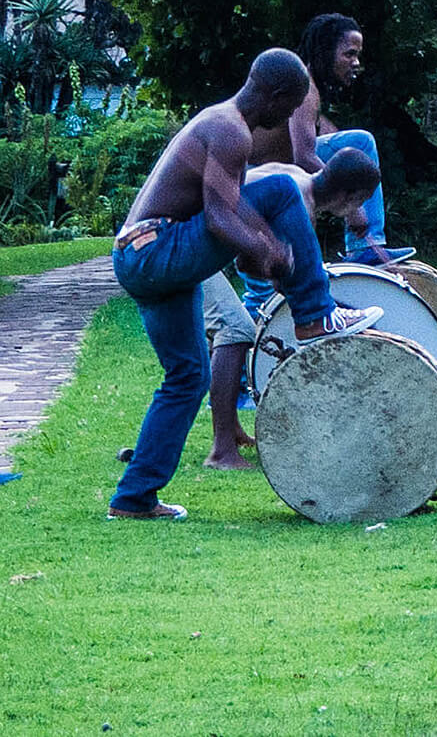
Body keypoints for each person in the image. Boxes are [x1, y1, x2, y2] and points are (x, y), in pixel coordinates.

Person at [107, 49, 383, 520]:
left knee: (188, 377)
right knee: (280, 187)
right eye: (291, 106)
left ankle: (134, 498)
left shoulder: (222, 123)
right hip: (156, 248)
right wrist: (266, 249)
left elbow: (228, 206)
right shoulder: (231, 131)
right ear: (276, 96)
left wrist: (265, 245)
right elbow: (218, 218)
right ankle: (316, 316)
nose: (287, 119)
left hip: (139, 256)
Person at [199, 148, 384, 471]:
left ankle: (231, 431)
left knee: (238, 328)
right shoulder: (300, 203)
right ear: (351, 196)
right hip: (186, 247)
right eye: (361, 201)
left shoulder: (293, 173)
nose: (359, 209)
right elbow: (247, 264)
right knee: (236, 331)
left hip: (196, 242)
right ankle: (221, 451)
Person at [240, 14, 413, 316]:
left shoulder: (309, 92)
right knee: (263, 300)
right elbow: (304, 155)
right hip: (251, 186)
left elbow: (322, 135)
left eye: (358, 55)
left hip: (263, 182)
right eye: (349, 54)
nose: (356, 62)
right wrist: (354, 208)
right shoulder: (304, 88)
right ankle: (361, 252)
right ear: (324, 52)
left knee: (357, 143)